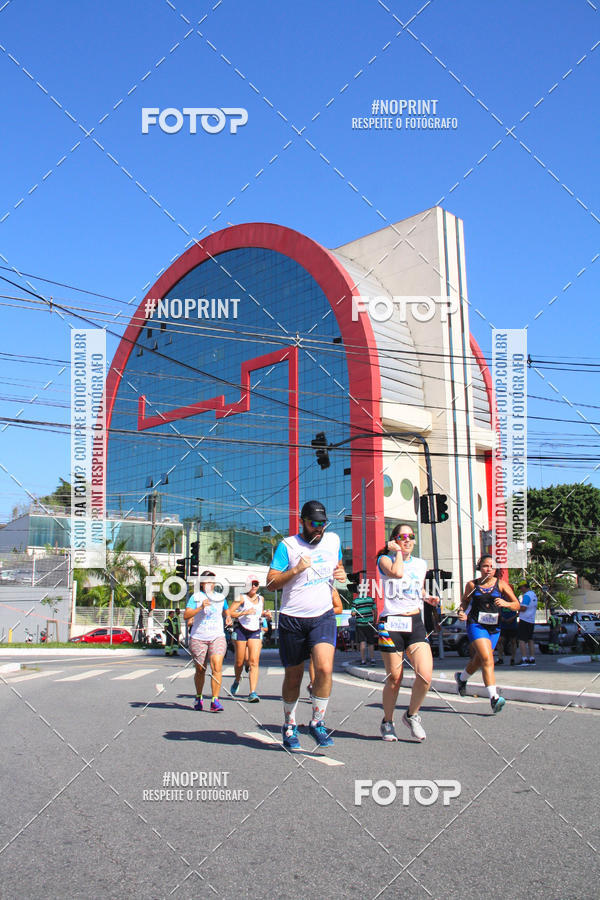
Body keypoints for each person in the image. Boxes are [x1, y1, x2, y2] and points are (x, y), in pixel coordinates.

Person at [267, 500, 346, 750]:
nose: (319, 528)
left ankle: (317, 723)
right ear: (302, 521)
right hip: (292, 618)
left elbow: (338, 565)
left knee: (324, 669)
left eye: (323, 523)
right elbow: (270, 583)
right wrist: (297, 570)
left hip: (322, 616)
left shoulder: (333, 541)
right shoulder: (288, 546)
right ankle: (289, 725)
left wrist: (341, 574)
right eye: (314, 524)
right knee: (294, 676)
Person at [376, 524, 438, 742]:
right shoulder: (384, 560)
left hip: (414, 622)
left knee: (425, 675)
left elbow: (415, 587)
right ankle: (387, 721)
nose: (408, 540)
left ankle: (411, 715)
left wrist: (427, 597)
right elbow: (397, 573)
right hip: (391, 623)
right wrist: (397, 553)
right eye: (403, 537)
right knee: (395, 678)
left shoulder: (421, 564)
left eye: (411, 536)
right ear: (394, 539)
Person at [455, 556, 520, 713]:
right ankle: (494, 697)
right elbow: (464, 602)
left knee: (479, 660)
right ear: (479, 567)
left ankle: (462, 678)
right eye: (485, 566)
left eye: (492, 566)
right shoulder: (472, 585)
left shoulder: (501, 585)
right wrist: (462, 612)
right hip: (476, 625)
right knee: (487, 658)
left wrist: (506, 604)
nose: (489, 569)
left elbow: (517, 604)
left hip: (494, 628)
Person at [184, 570, 228, 712]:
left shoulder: (221, 597)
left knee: (217, 666)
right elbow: (186, 615)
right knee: (200, 669)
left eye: (212, 581)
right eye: (207, 581)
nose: (210, 584)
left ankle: (215, 700)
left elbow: (226, 610)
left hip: (217, 636)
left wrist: (228, 616)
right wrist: (201, 607)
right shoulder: (195, 597)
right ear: (202, 583)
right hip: (199, 637)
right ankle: (199, 696)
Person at [228, 577, 265, 702]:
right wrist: (244, 612)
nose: (253, 586)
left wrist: (266, 614)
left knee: (254, 661)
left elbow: (258, 613)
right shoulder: (241, 598)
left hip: (255, 631)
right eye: (251, 584)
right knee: (240, 662)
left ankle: (252, 692)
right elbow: (229, 612)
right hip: (241, 630)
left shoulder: (261, 599)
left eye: (256, 584)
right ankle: (237, 679)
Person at [307, 587, 343, 694]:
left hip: (325, 626)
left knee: (324, 662)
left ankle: (318, 686)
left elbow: (339, 608)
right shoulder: (307, 588)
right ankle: (313, 685)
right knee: (313, 657)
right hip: (309, 625)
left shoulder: (331, 588)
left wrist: (323, 612)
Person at [351, 589, 377, 666]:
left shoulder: (355, 601)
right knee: (371, 642)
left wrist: (355, 612)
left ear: (358, 592)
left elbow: (353, 613)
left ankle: (363, 660)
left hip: (360, 624)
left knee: (362, 642)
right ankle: (372, 659)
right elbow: (375, 611)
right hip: (369, 623)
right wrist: (374, 621)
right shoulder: (370, 600)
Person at [517, 581, 539, 665]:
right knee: (530, 639)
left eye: (521, 588)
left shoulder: (526, 596)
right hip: (531, 619)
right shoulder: (533, 595)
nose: (521, 590)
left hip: (524, 619)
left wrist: (516, 608)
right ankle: (532, 658)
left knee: (521, 640)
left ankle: (524, 658)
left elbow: (523, 608)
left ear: (524, 587)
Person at [495, 601, 518, 666]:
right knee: (500, 641)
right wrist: (501, 617)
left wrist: (513, 618)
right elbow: (497, 609)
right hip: (503, 624)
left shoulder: (513, 599)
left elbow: (519, 610)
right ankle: (500, 658)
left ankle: (512, 659)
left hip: (512, 624)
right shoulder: (501, 598)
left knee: (513, 641)